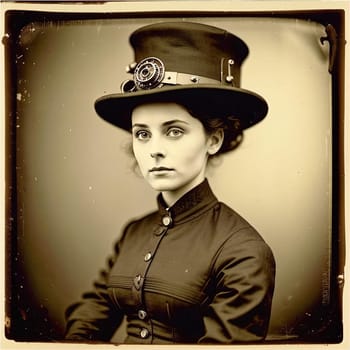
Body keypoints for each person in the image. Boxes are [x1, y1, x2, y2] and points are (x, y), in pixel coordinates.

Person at [64, 21, 276, 344]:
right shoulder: (133, 232)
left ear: (213, 140)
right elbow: (91, 313)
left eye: (174, 131)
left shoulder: (244, 251)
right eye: (142, 134)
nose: (154, 150)